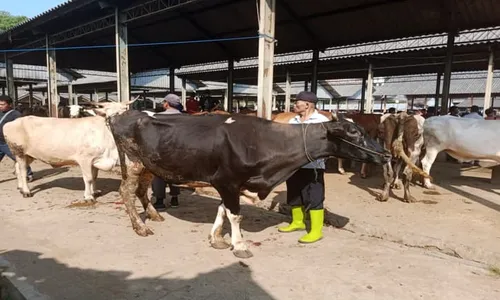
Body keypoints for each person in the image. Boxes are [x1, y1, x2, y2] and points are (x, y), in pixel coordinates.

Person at [278, 91, 330, 244]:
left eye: (297, 102)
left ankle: (316, 231)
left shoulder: (321, 120)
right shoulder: (294, 120)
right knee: (294, 193)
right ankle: (297, 222)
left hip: (314, 166)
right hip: (294, 165)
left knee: (314, 196)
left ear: (307, 105)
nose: (294, 105)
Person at [151, 94, 182, 209]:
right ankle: (175, 199)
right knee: (175, 173)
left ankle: (160, 201)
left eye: (164, 101)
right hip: (178, 151)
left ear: (167, 104)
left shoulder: (157, 117)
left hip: (162, 150)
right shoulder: (184, 117)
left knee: (158, 174)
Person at [0, 95, 34, 181]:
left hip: (8, 142)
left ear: (10, 104)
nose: (0, 106)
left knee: (17, 158)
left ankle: (28, 174)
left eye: (3, 104)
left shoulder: (16, 115)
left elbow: (20, 128)